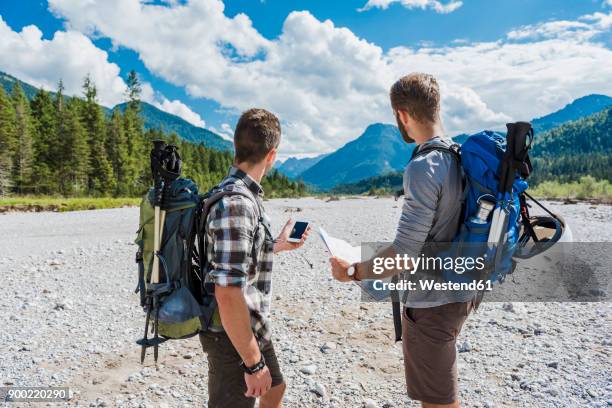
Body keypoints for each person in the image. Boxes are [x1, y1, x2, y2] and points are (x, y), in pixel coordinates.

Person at [329, 73, 476, 408]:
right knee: (440, 389)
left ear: (403, 115)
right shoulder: (460, 155)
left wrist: (352, 272)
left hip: (433, 302)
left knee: (438, 400)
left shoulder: (424, 166)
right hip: (463, 289)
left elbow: (403, 257)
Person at [200, 108, 310, 408]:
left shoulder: (240, 196)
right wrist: (252, 364)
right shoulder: (237, 203)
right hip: (231, 331)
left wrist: (274, 246)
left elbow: (233, 256)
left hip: (250, 325)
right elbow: (227, 291)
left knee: (275, 387)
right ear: (272, 155)